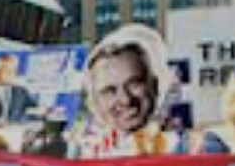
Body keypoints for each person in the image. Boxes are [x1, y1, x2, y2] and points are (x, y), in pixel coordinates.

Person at [72, 24, 182, 158]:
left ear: (155, 85)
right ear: (94, 101)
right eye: (109, 90)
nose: (125, 99)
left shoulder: (189, 148)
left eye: (134, 84)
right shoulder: (81, 158)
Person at [0, 52, 36, 124]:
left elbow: (34, 111)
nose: (12, 75)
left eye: (14, 71)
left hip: (13, 131)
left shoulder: (21, 91)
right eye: (8, 71)